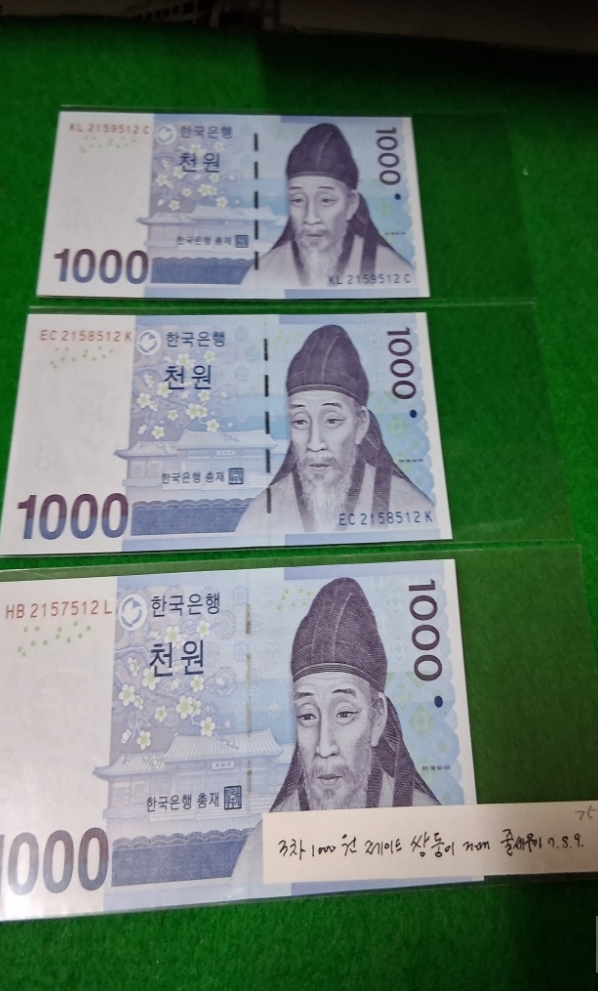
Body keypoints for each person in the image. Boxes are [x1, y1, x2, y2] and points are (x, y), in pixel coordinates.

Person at [230, 578, 437, 884]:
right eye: (307, 715)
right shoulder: (266, 843)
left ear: (377, 719)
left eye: (344, 713)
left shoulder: (429, 823)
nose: (324, 746)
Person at [234, 324, 434, 536]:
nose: (315, 443)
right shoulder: (261, 514)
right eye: (300, 421)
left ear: (360, 425)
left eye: (332, 420)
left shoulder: (411, 506)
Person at [245, 123, 414, 289]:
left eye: (326, 200)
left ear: (351, 204)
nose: (311, 218)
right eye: (298, 200)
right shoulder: (261, 273)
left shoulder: (393, 269)